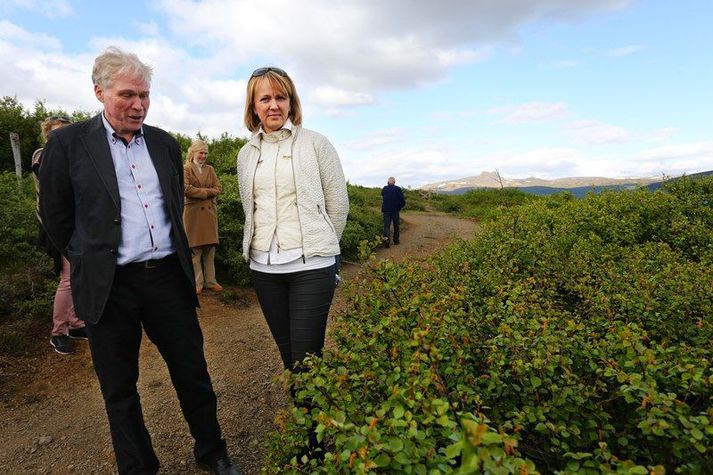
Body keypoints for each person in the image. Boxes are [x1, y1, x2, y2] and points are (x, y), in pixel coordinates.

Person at [38, 46, 240, 475]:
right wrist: (85, 256)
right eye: (127, 94)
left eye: (145, 95)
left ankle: (212, 451)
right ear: (99, 92)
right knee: (119, 389)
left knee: (193, 373)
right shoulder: (68, 145)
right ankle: (138, 466)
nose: (138, 105)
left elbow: (171, 204)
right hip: (109, 286)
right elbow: (56, 217)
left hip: (167, 278)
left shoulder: (165, 144)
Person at [237, 66, 349, 374]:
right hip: (263, 268)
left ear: (291, 102)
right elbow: (252, 208)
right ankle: (304, 419)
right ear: (253, 106)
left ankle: (314, 422)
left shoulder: (316, 143)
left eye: (281, 97)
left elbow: (338, 203)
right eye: (265, 99)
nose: (274, 105)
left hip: (311, 266)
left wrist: (323, 245)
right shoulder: (245, 154)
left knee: (307, 360)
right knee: (289, 359)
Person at [32, 115, 88, 355]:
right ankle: (58, 332)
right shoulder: (42, 155)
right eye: (57, 132)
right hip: (57, 226)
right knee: (67, 277)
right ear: (48, 134)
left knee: (76, 275)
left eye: (66, 130)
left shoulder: (73, 155)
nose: (62, 135)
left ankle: (75, 323)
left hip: (77, 224)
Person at [183, 139, 222, 295]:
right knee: (195, 250)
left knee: (210, 249)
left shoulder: (210, 169)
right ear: (193, 152)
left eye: (205, 153)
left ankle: (211, 282)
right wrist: (207, 192)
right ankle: (198, 283)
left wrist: (200, 192)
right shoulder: (186, 169)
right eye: (201, 153)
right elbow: (186, 189)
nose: (203, 156)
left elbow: (217, 188)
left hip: (209, 213)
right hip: (192, 214)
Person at [381, 176, 406, 247]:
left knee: (386, 226)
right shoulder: (398, 189)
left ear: (388, 182)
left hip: (386, 211)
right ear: (394, 182)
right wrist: (399, 207)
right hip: (395, 210)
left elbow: (382, 194)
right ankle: (396, 241)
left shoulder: (385, 188)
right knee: (396, 226)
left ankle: (387, 242)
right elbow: (403, 201)